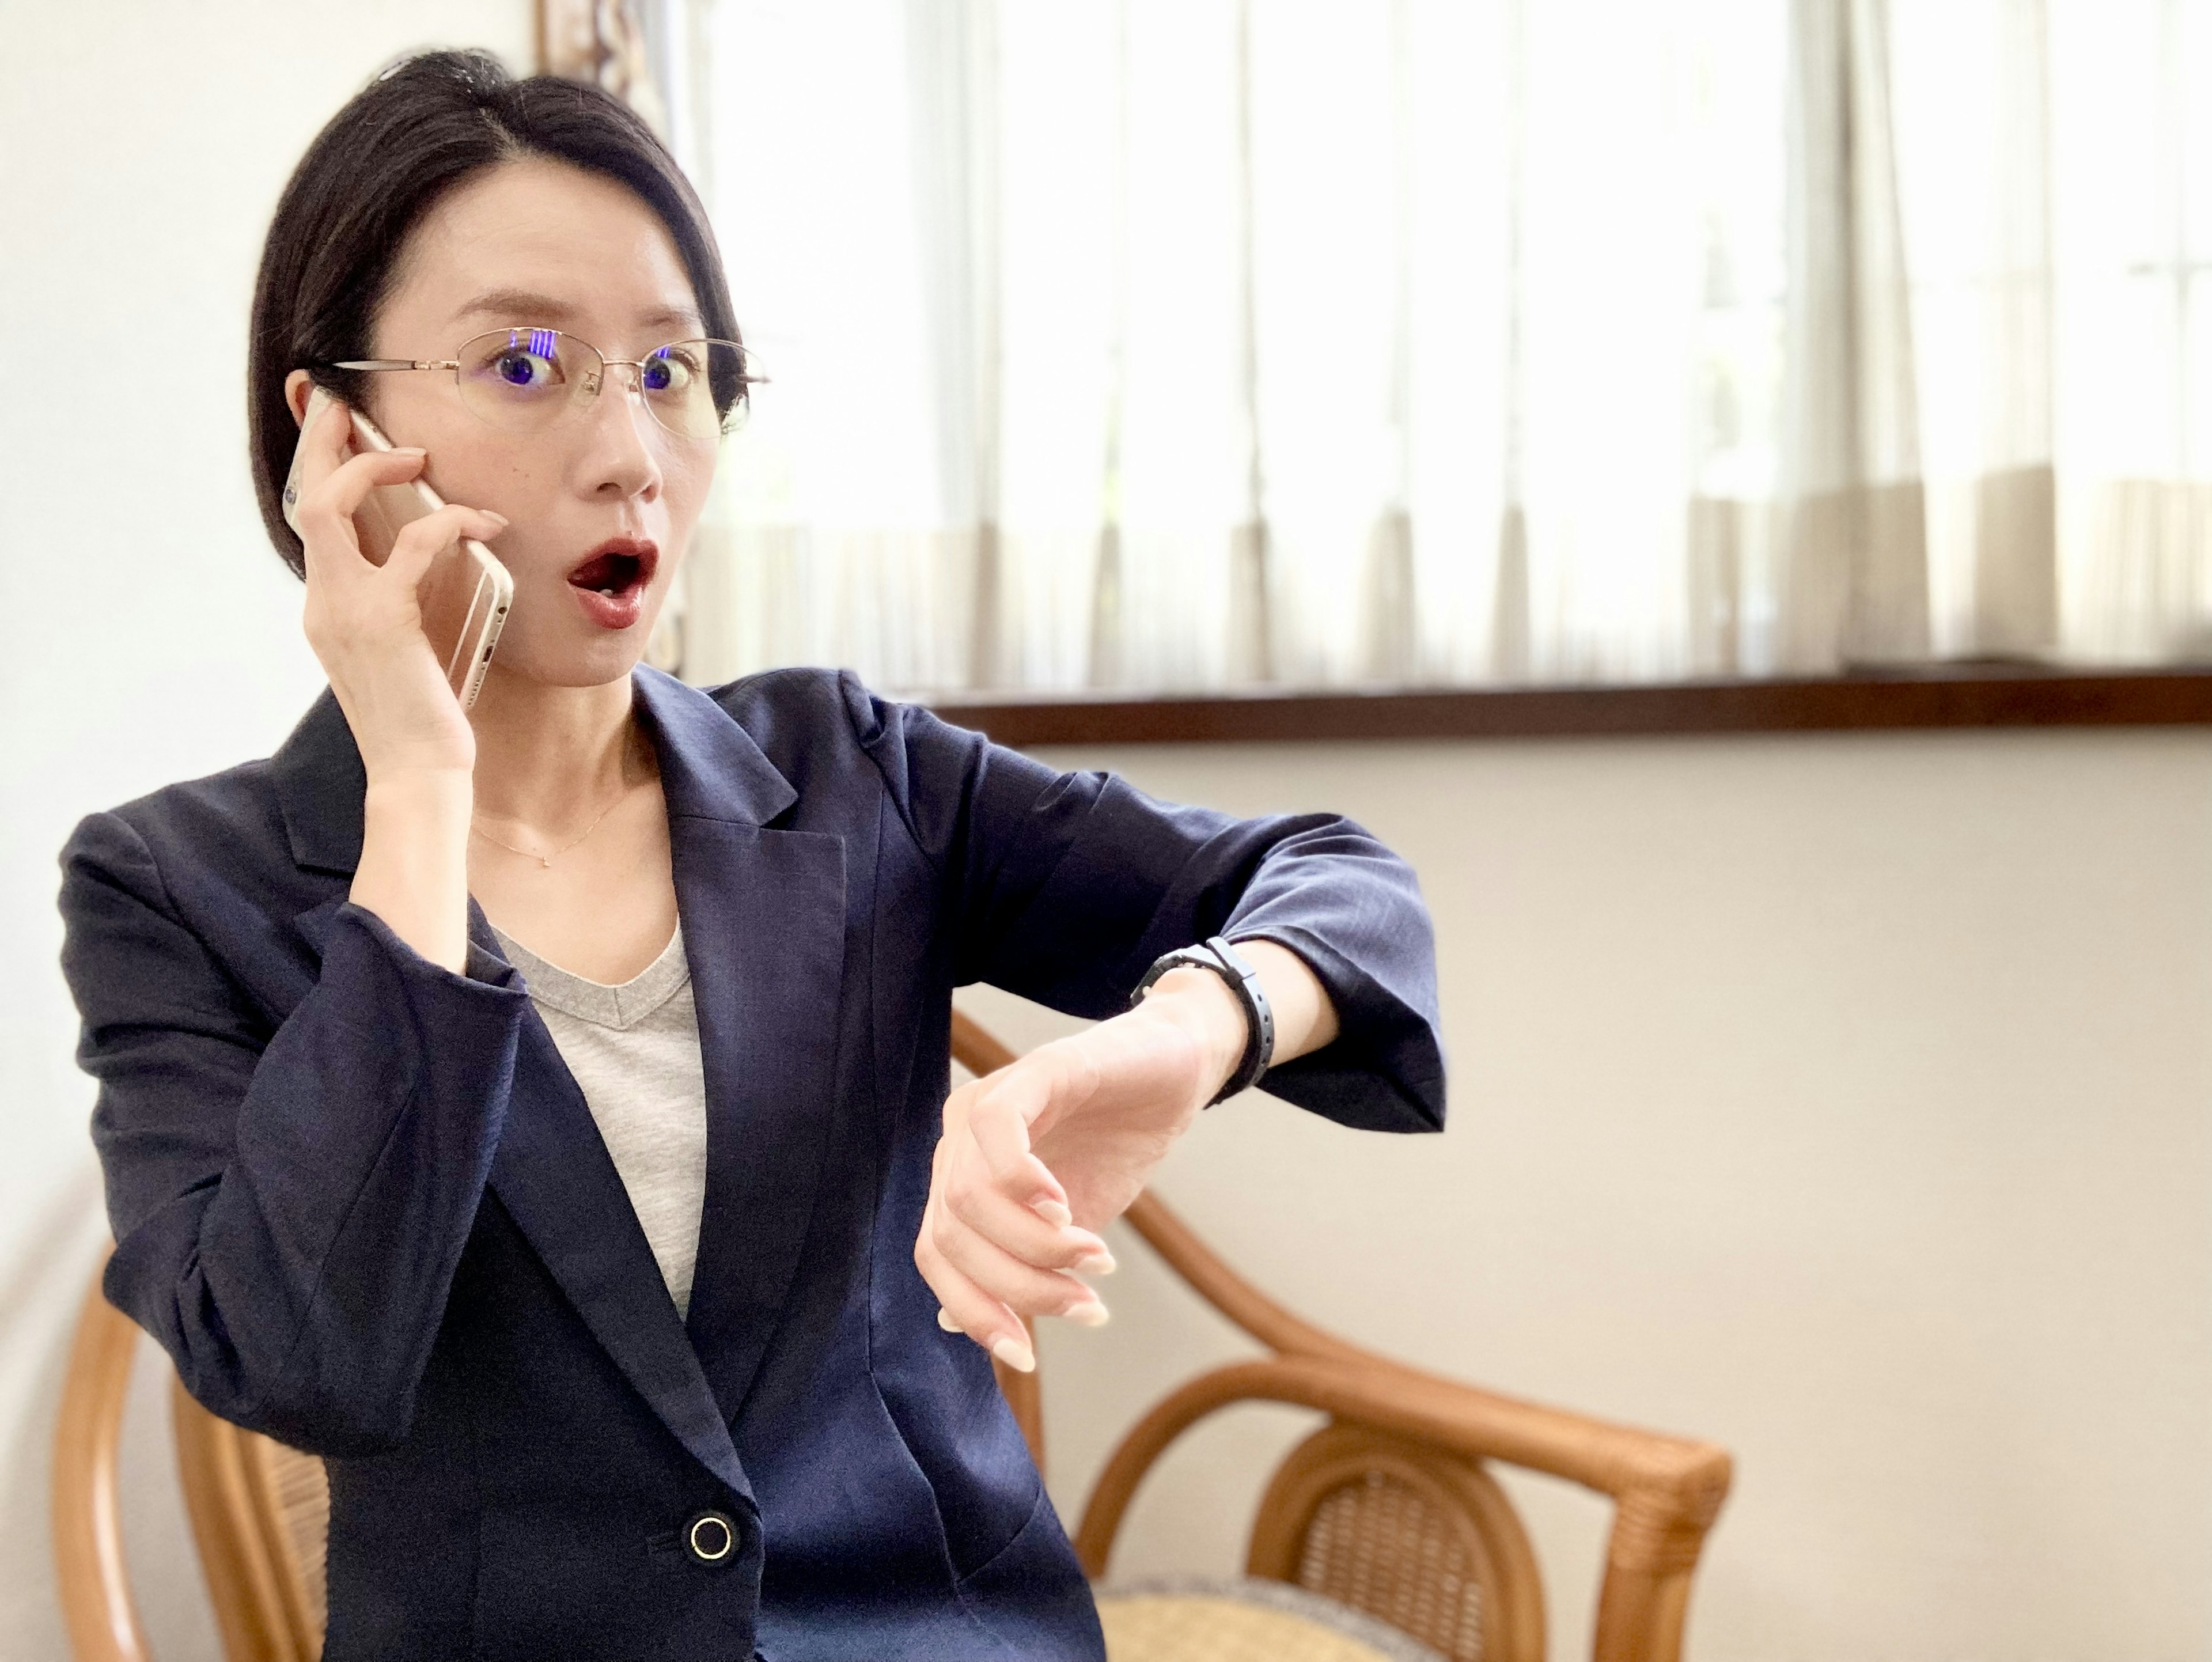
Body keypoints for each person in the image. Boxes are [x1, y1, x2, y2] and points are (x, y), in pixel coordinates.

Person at [57, 50, 1444, 1662]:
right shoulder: (175, 887)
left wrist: (1188, 1032)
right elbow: (308, 1359)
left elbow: (1342, 882)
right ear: (333, 427)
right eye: (523, 363)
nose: (630, 451)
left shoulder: (850, 776)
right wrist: (419, 785)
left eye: (672, 369)